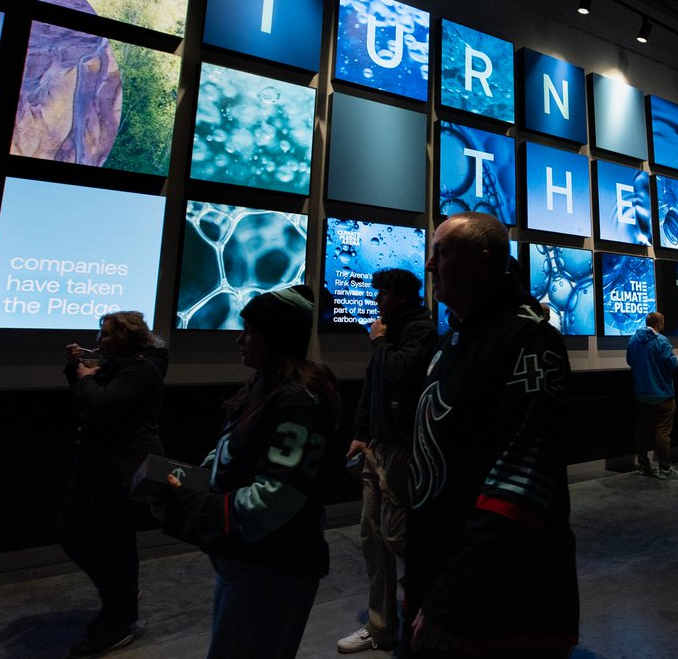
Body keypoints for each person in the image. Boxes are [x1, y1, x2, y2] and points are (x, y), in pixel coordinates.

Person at [405, 211, 578, 656]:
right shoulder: (454, 341)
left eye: (440, 254)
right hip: (442, 574)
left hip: (501, 602)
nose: (428, 266)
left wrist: (451, 599)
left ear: (482, 261)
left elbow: (520, 481)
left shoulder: (531, 340)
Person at [161, 285, 342, 658]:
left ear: (276, 337)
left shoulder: (297, 401)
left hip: (273, 568)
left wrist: (189, 508)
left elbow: (273, 498)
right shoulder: (267, 385)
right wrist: (191, 484)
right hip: (246, 561)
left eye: (250, 332)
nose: (240, 341)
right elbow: (229, 448)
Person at [59, 310, 168, 657]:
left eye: (106, 335)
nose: (99, 341)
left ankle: (118, 620)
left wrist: (88, 376)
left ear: (126, 337)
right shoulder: (117, 364)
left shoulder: (141, 368)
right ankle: (119, 595)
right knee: (72, 532)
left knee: (116, 546)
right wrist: (76, 369)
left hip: (121, 469)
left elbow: (101, 401)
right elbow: (86, 394)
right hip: (97, 465)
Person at [338, 269, 435, 654]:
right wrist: (361, 432)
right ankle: (381, 628)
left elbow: (400, 373)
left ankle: (429, 611)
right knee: (372, 538)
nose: (377, 300)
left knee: (397, 536)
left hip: (402, 450)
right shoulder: (389, 329)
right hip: (376, 446)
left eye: (383, 293)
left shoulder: (420, 330)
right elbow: (373, 385)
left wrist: (380, 344)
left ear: (401, 295)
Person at [627, 311, 678, 479]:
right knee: (662, 433)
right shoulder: (661, 341)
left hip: (642, 394)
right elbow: (673, 366)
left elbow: (630, 361)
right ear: (660, 323)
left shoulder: (633, 340)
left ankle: (644, 466)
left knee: (642, 431)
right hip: (662, 394)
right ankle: (665, 469)